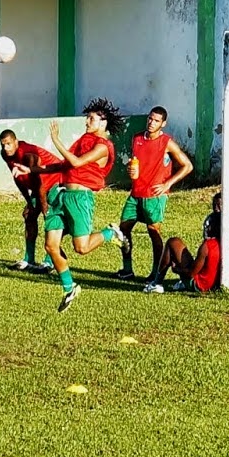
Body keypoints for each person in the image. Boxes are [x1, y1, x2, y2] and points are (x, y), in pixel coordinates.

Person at [44, 97, 127, 313]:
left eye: (91, 118)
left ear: (103, 122)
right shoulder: (84, 139)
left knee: (81, 248)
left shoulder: (103, 147)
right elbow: (64, 164)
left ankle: (110, 234)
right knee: (51, 246)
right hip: (61, 197)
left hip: (80, 199)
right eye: (87, 118)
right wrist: (32, 170)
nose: (87, 122)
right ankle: (69, 288)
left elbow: (77, 162)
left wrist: (56, 140)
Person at [115, 105, 193, 287]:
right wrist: (131, 170)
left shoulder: (167, 143)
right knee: (123, 229)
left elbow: (187, 166)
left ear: (163, 124)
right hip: (135, 193)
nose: (151, 122)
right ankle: (127, 269)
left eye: (156, 120)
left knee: (153, 232)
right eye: (150, 118)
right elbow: (138, 164)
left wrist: (167, 184)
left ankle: (155, 273)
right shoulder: (136, 139)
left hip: (155, 196)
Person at [145, 191, 229, 293]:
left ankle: (157, 283)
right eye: (214, 206)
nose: (216, 209)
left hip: (204, 283)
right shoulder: (228, 242)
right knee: (218, 261)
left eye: (219, 206)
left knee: (173, 242)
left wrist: (177, 270)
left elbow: (191, 273)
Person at [0, 129, 64, 273]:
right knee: (29, 214)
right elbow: (17, 178)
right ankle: (29, 259)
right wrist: (29, 200)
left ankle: (50, 261)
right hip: (40, 186)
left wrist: (44, 207)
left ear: (16, 142)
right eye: (3, 145)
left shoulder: (28, 155)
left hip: (55, 181)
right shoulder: (5, 155)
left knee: (51, 218)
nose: (6, 148)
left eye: (9, 144)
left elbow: (39, 182)